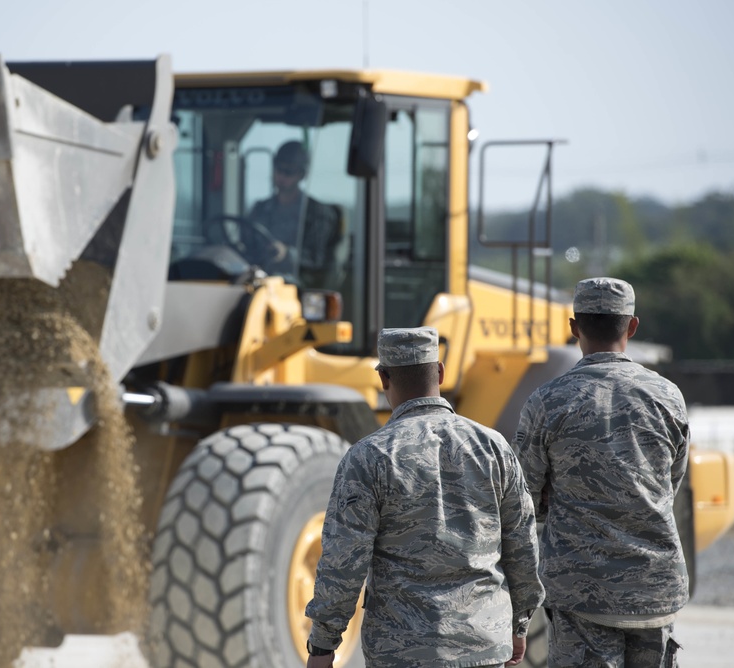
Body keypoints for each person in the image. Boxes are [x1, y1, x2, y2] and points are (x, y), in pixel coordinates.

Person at [305, 326, 544, 668]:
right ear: (441, 372)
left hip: (402, 652)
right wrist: (519, 625)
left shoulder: (368, 457)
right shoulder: (493, 448)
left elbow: (343, 563)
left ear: (383, 378)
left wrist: (323, 645)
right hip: (484, 647)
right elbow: (523, 546)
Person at [511, 277, 690, 667]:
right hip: (653, 590)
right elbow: (668, 485)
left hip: (581, 593)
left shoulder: (547, 402)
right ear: (632, 326)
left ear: (574, 327)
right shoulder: (668, 397)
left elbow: (523, 500)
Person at [247, 140, 344, 287]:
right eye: (278, 170)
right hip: (257, 282)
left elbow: (317, 258)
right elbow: (245, 245)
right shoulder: (260, 209)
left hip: (300, 287)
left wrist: (286, 253)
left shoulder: (318, 213)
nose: (281, 176)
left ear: (302, 174)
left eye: (289, 172)